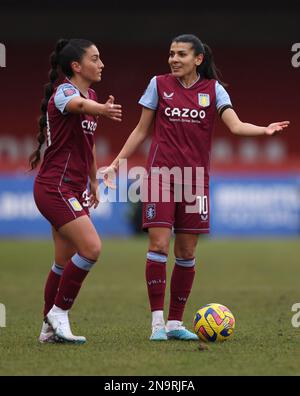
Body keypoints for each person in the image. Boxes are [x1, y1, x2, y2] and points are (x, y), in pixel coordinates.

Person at [100, 34, 289, 341]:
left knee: (186, 251)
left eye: (181, 54)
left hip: (195, 181)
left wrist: (264, 130)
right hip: (160, 176)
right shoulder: (158, 84)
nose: (174, 59)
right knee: (159, 245)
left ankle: (176, 323)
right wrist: (117, 163)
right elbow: (140, 130)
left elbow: (236, 126)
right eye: (171, 53)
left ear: (198, 59)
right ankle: (157, 324)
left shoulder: (213, 90)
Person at [30, 38, 122, 344]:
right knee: (92, 248)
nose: (102, 64)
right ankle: (59, 312)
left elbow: (88, 144)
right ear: (76, 66)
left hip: (70, 186)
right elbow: (79, 106)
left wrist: (94, 181)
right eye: (95, 59)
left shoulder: (92, 94)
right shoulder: (65, 93)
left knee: (62, 261)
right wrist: (103, 109)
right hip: (54, 187)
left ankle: (47, 330)